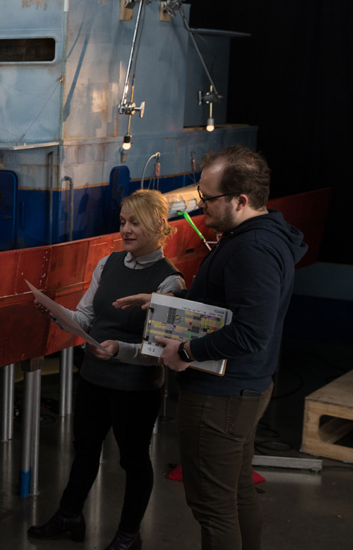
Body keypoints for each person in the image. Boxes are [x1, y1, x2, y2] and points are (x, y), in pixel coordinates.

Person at [115, 146, 307, 550]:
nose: (201, 205)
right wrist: (166, 302)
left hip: (221, 396)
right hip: (244, 388)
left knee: (213, 508)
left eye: (209, 198)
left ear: (241, 200)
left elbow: (251, 332)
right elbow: (227, 305)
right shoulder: (259, 234)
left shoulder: (252, 250)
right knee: (236, 493)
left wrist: (185, 353)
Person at [28, 189, 185, 550]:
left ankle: (129, 535)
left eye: (135, 222)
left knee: (134, 460)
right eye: (122, 221)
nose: (125, 229)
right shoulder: (107, 263)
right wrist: (58, 315)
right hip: (94, 378)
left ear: (159, 226)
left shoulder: (170, 282)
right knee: (85, 448)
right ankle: (69, 515)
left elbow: (160, 350)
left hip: (136, 387)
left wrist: (119, 350)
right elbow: (85, 317)